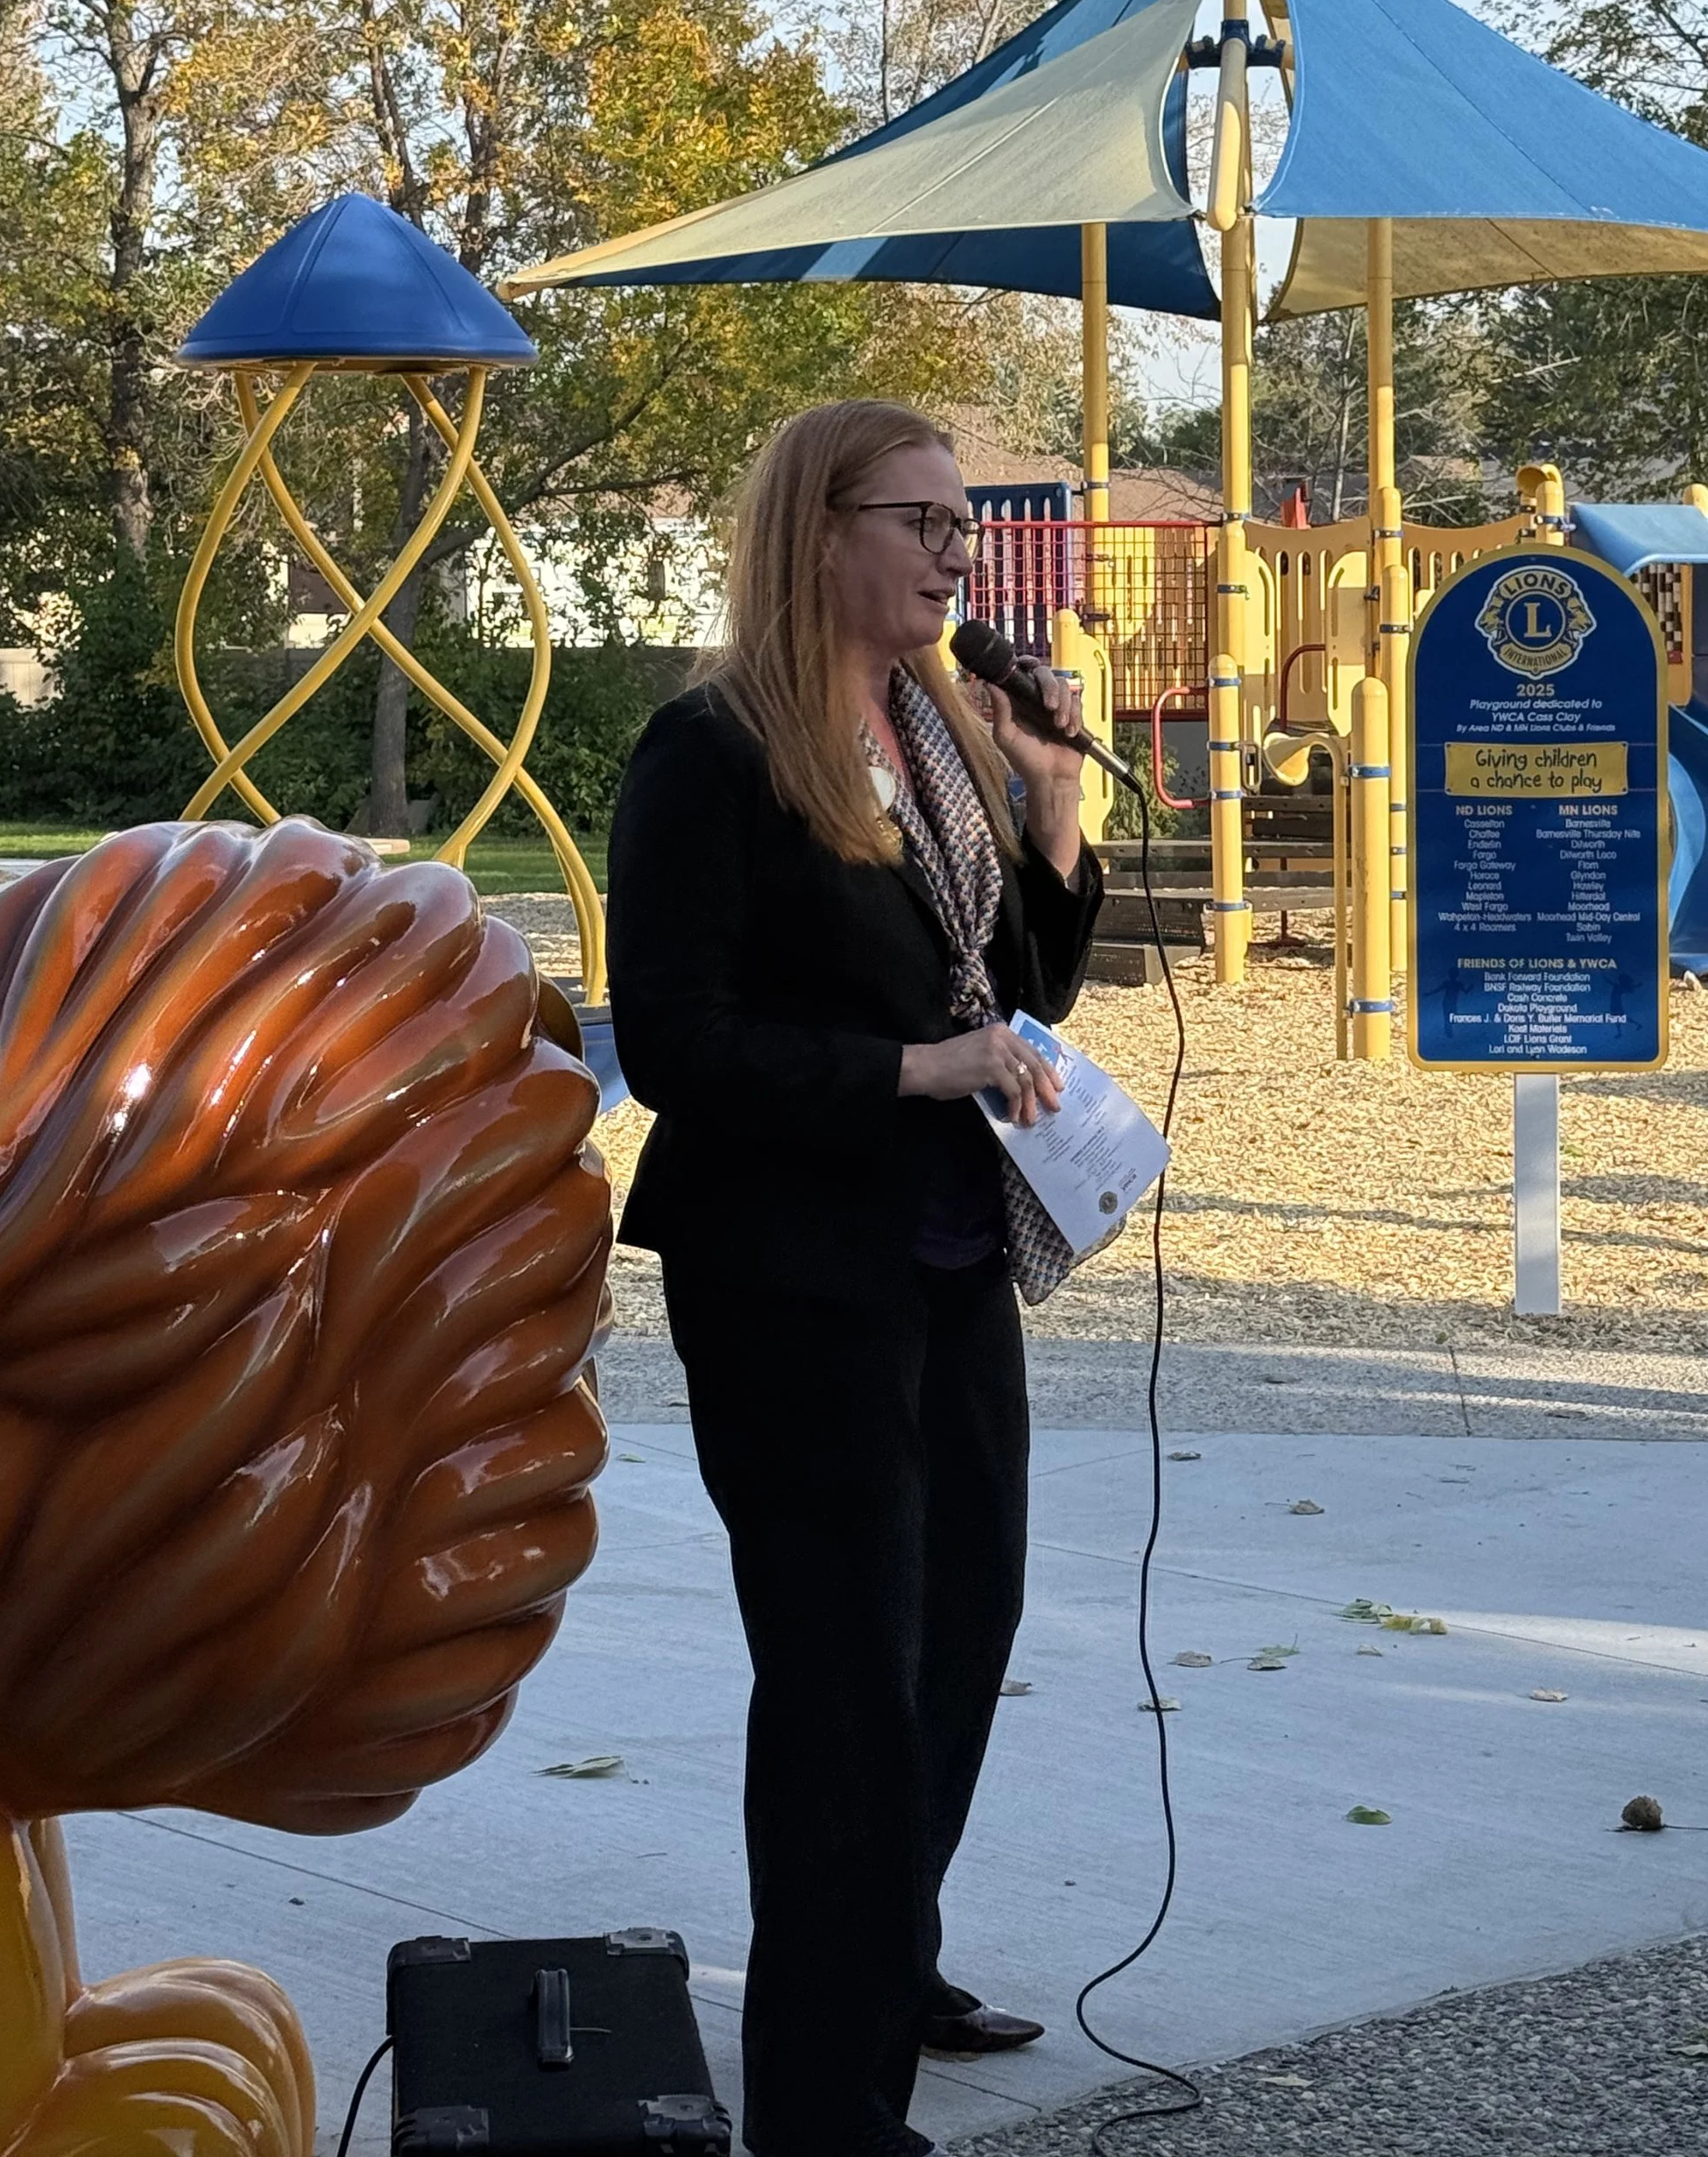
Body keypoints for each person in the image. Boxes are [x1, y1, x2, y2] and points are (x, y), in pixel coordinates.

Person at [608, 398, 1104, 2157]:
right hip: (790, 1271)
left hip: (953, 1254)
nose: (958, 557)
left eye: (965, 528)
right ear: (819, 531)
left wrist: (1048, 805)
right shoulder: (711, 751)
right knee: (840, 1679)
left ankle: (883, 1959)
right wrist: (909, 1075)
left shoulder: (940, 728)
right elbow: (672, 1041)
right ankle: (823, 2107)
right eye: (926, 523)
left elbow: (1018, 979)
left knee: (959, 1639)